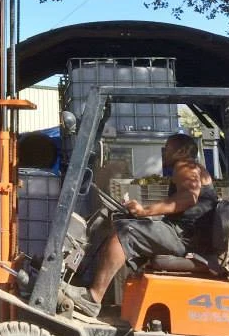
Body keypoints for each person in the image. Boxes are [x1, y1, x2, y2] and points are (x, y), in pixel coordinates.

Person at [63, 132, 217, 317]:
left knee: (124, 232)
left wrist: (145, 211)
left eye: (168, 148)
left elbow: (188, 198)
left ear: (182, 151)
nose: (164, 152)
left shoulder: (185, 166)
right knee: (130, 224)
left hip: (185, 237)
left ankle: (93, 298)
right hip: (187, 233)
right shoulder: (194, 168)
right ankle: (91, 288)